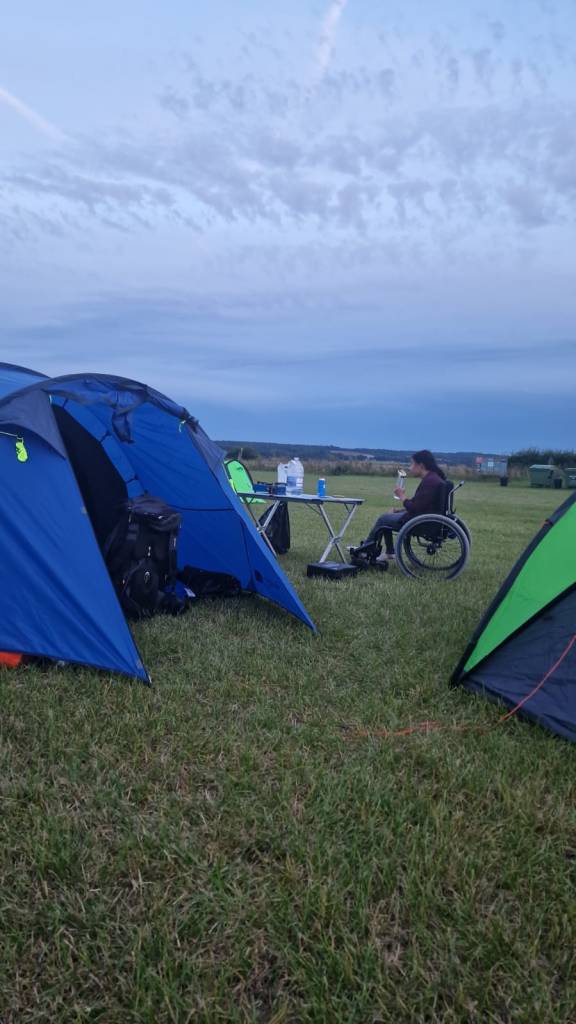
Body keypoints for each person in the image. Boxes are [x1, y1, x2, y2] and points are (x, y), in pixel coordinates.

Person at [350, 450, 447, 562]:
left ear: (421, 465)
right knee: (388, 516)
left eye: (412, 464)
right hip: (426, 519)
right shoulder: (433, 478)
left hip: (421, 522)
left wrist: (402, 496)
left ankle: (365, 551)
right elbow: (421, 505)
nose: (410, 468)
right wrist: (399, 510)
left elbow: (414, 508)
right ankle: (389, 552)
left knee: (383, 519)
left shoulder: (430, 481)